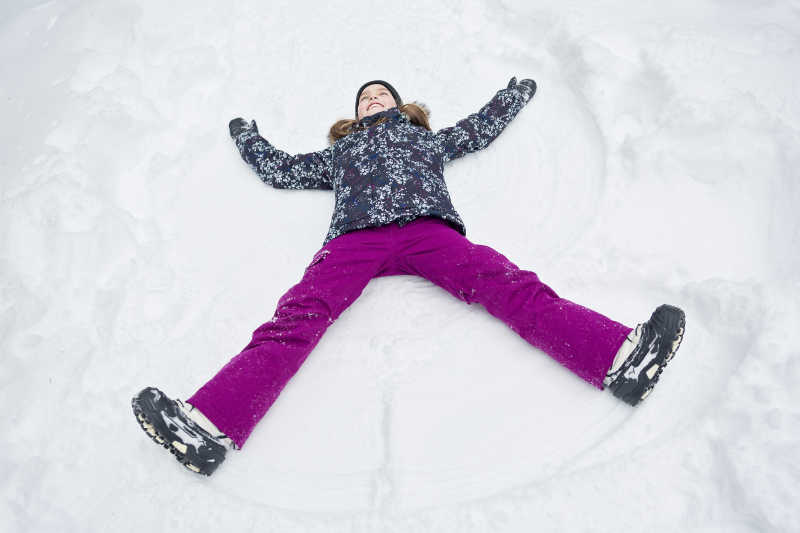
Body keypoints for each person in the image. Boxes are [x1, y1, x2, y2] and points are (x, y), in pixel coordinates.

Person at [132, 77, 686, 476]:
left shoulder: (427, 139)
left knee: (510, 286)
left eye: (382, 95)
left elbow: (479, 129)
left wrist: (511, 96)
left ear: (402, 106)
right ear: (353, 115)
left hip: (430, 234)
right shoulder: (341, 152)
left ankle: (620, 360)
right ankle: (208, 424)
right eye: (364, 98)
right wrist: (246, 136)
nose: (373, 99)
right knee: (297, 318)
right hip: (355, 239)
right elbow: (279, 170)